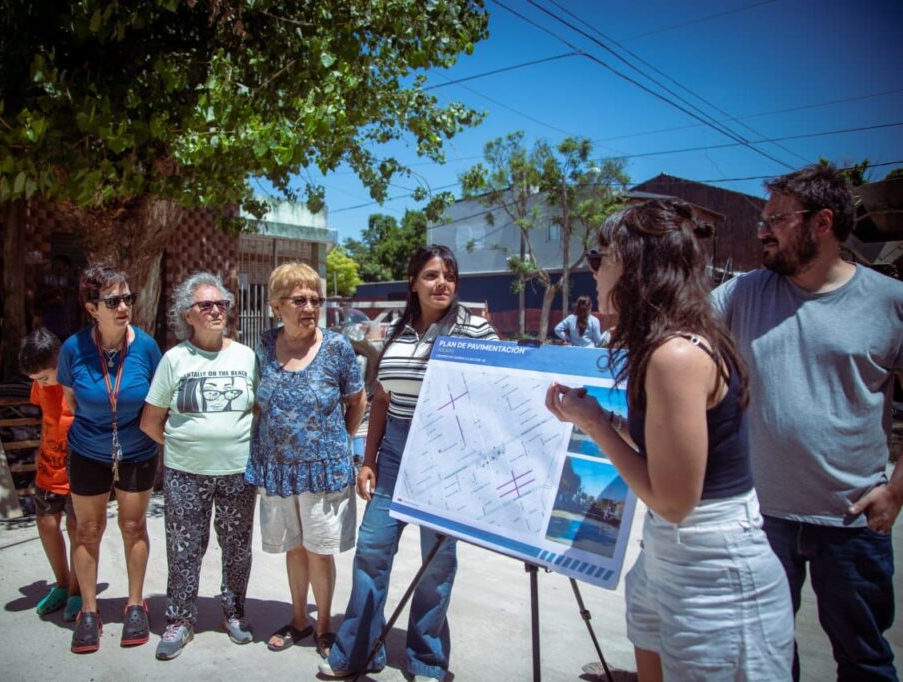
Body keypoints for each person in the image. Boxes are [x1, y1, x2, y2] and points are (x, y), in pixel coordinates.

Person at [545, 199, 793, 680]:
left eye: (602, 259)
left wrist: (596, 426)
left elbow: (675, 500)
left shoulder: (674, 355)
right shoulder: (663, 346)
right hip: (670, 553)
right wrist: (603, 419)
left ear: (637, 268)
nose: (593, 273)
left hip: (713, 569)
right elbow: (665, 460)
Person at [712, 164, 902, 681]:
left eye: (776, 218)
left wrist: (897, 490)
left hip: (852, 523)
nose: (761, 230)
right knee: (767, 658)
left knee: (864, 659)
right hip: (761, 519)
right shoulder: (743, 292)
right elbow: (678, 332)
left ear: (822, 222)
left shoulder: (890, 304)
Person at [321, 245, 497, 681]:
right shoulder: (398, 332)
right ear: (414, 282)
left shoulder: (475, 332)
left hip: (447, 456)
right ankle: (356, 651)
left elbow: (495, 397)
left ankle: (426, 659)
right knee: (371, 552)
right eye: (433, 275)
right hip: (396, 452)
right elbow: (381, 398)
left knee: (436, 565)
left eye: (450, 277)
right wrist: (369, 458)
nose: (443, 284)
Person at [245, 263, 366, 659]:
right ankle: (299, 619)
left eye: (316, 299)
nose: (310, 307)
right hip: (277, 468)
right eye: (300, 300)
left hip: (322, 470)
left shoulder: (337, 347)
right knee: (294, 547)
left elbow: (356, 400)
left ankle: (325, 624)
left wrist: (338, 443)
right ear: (277, 306)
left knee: (319, 549)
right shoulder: (264, 344)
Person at [140, 272, 259, 660]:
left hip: (238, 472)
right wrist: (184, 447)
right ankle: (180, 619)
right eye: (205, 305)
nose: (216, 311)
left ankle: (234, 612)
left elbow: (258, 410)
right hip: (185, 473)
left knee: (237, 548)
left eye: (222, 304)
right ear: (186, 315)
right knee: (184, 548)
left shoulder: (246, 356)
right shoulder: (174, 359)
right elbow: (150, 421)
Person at [57, 264, 162, 654]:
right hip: (88, 449)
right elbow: (70, 399)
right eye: (113, 300)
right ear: (91, 308)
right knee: (87, 530)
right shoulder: (73, 349)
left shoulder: (148, 348)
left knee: (133, 526)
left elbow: (157, 401)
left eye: (128, 299)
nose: (123, 307)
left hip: (136, 450)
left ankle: (135, 604)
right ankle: (89, 610)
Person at [18, 328, 80, 621]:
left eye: (44, 377)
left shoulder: (78, 381)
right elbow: (45, 416)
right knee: (46, 523)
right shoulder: (41, 386)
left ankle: (78, 591)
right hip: (48, 465)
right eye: (35, 380)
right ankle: (61, 582)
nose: (41, 384)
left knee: (78, 528)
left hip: (79, 466)